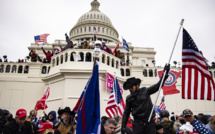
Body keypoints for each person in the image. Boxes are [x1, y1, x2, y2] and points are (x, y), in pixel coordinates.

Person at [121, 64, 170, 134]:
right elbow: (126, 113)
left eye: (131, 87)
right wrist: (123, 126)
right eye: (129, 88)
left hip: (149, 122)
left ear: (137, 85)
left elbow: (157, 86)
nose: (130, 89)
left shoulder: (145, 91)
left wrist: (165, 73)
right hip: (138, 124)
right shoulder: (129, 98)